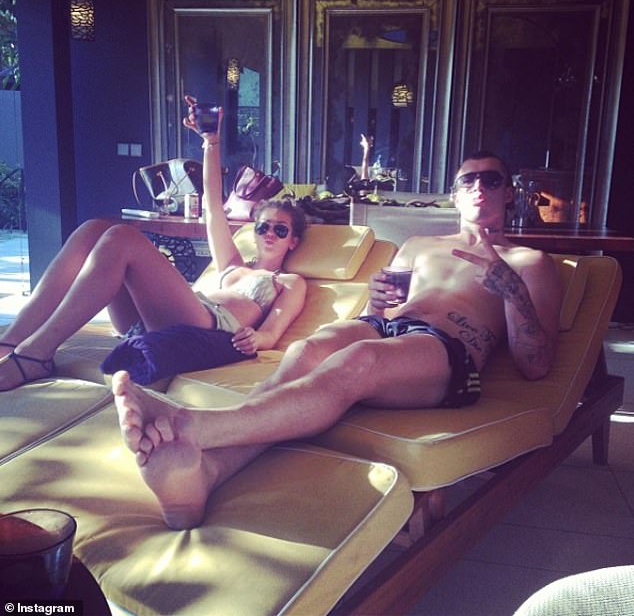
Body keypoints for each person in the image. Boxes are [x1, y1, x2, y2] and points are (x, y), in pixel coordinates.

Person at [114, 150, 563, 529]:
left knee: (359, 361)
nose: (479, 186)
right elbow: (380, 313)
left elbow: (536, 363)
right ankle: (204, 474)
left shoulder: (529, 262)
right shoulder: (418, 246)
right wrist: (377, 300)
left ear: (508, 192)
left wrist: (511, 291)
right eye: (468, 180)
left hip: (446, 349)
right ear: (455, 194)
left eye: (491, 179)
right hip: (389, 328)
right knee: (306, 350)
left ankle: (192, 426)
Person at [0, 99, 307, 391]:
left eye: (280, 230)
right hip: (164, 315)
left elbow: (272, 332)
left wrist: (257, 339)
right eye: (263, 226)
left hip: (206, 328)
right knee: (95, 229)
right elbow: (213, 206)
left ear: (293, 241)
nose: (269, 233)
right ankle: (12, 341)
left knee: (123, 238)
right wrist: (211, 142)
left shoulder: (289, 282)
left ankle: (36, 354)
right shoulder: (232, 263)